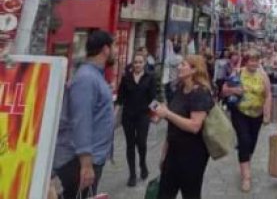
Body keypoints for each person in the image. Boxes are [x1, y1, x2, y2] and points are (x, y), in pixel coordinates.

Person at [53, 30, 116, 199]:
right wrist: (86, 163)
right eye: (113, 46)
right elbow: (81, 121)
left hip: (89, 158)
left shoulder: (94, 76)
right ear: (105, 49)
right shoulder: (86, 78)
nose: (115, 51)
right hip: (79, 161)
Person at [153, 55, 214, 199]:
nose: (179, 67)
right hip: (173, 151)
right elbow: (172, 126)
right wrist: (164, 154)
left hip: (193, 155)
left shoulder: (200, 93)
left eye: (183, 64)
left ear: (193, 70)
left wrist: (167, 114)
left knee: (190, 194)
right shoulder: (179, 89)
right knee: (164, 194)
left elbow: (194, 126)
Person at [223, 49, 272, 192]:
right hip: (240, 112)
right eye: (251, 60)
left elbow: (268, 95)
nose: (253, 63)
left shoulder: (263, 76)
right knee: (244, 140)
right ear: (246, 61)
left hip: (257, 115)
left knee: (251, 143)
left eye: (256, 60)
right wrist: (233, 91)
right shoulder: (238, 73)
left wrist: (267, 113)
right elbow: (224, 90)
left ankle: (246, 162)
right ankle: (246, 177)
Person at [116, 52, 158, 186]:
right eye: (135, 62)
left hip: (143, 115)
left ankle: (143, 164)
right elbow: (120, 99)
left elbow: (153, 98)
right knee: (130, 145)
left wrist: (157, 113)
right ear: (132, 64)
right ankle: (132, 174)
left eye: (140, 62)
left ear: (144, 63)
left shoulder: (150, 77)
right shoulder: (126, 78)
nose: (138, 64)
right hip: (128, 116)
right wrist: (114, 113)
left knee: (141, 142)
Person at [163, 38, 183, 102]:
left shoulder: (168, 59)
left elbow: (165, 68)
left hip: (168, 80)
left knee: (169, 98)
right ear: (180, 50)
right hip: (177, 80)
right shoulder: (181, 60)